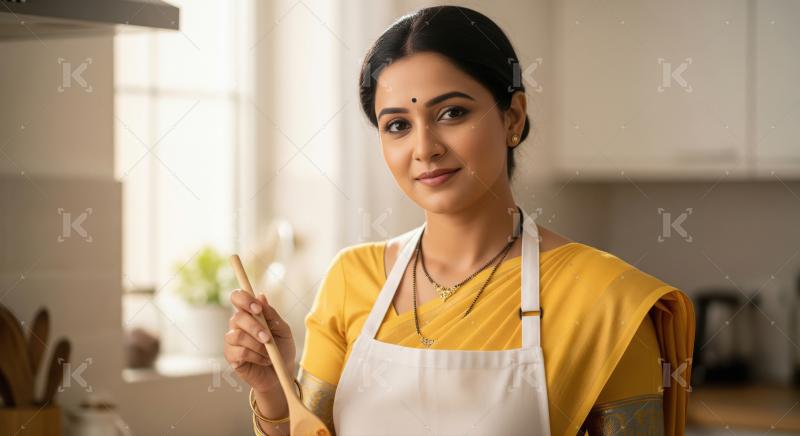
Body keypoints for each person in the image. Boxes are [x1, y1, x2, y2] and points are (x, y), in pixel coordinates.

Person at [224, 5, 695, 436]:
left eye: (451, 112)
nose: (424, 147)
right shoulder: (352, 278)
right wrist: (274, 388)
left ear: (512, 118)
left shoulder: (605, 299)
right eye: (397, 125)